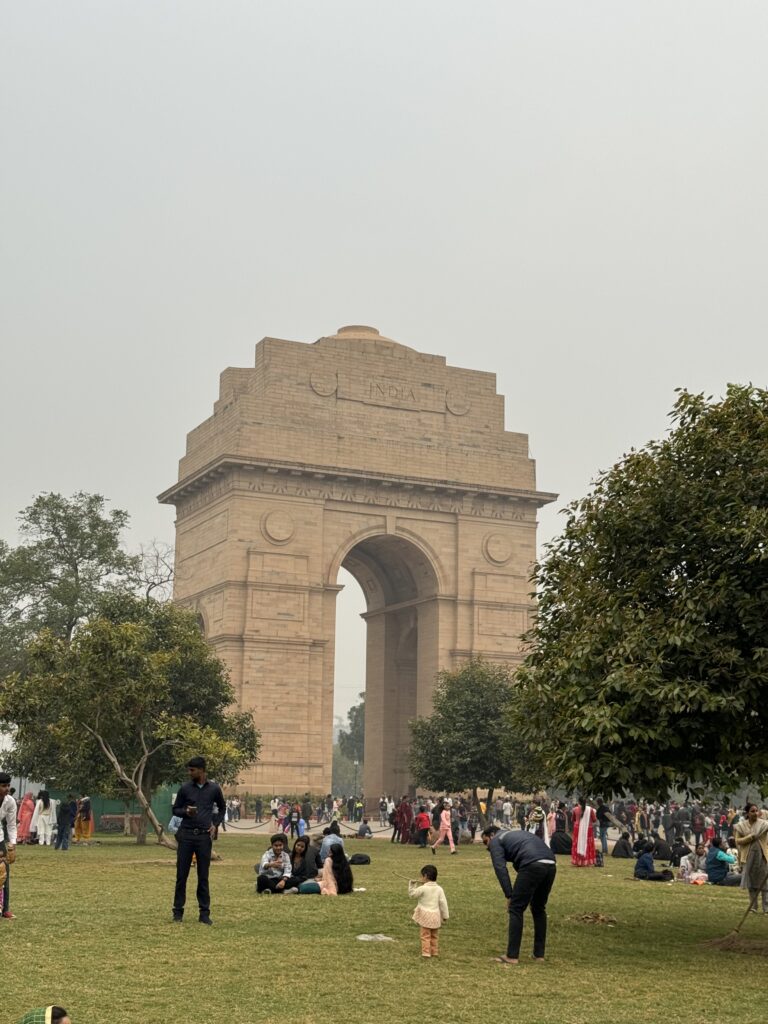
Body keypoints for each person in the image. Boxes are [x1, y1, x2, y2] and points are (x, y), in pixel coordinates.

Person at [482, 825, 556, 966]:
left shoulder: (497, 840)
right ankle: (539, 954)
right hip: (550, 863)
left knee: (516, 908)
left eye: (486, 842)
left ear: (491, 834)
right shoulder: (514, 835)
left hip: (532, 864)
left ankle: (512, 956)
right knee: (539, 908)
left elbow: (500, 868)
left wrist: (509, 895)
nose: (487, 847)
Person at [171, 756, 225, 923]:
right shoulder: (185, 788)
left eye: (192, 770)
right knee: (182, 875)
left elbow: (222, 808)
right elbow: (175, 809)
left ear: (202, 770)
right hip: (186, 835)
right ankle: (178, 912)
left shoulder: (214, 789)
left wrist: (215, 824)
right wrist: (185, 811)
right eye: (189, 769)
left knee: (203, 876)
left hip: (203, 837)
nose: (190, 772)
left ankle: (204, 914)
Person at [409, 863, 449, 958]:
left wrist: (412, 885)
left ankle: (426, 953)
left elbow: (412, 895)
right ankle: (434, 952)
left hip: (425, 916)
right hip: (435, 916)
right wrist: (445, 916)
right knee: (434, 936)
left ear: (425, 876)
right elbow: (443, 903)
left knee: (425, 936)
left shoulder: (423, 888)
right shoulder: (439, 889)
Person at [733, 803, 768, 913]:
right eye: (752, 811)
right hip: (748, 857)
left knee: (764, 883)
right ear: (747, 813)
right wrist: (750, 837)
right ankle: (753, 907)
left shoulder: (764, 825)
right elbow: (737, 841)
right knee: (751, 883)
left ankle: (766, 907)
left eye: (756, 811)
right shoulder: (741, 826)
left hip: (762, 857)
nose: (755, 813)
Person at [0, 771, 17, 919]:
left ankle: (5, 909)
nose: (7, 788)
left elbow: (11, 825)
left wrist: (12, 844)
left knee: (4, 873)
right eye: (3, 786)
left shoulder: (10, 801)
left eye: (8, 785)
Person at [571, 798, 596, 867]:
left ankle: (578, 861)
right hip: (588, 829)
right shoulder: (590, 810)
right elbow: (594, 819)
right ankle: (586, 861)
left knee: (578, 843)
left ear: (579, 802)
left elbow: (573, 819)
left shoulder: (575, 809)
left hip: (577, 828)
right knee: (587, 844)